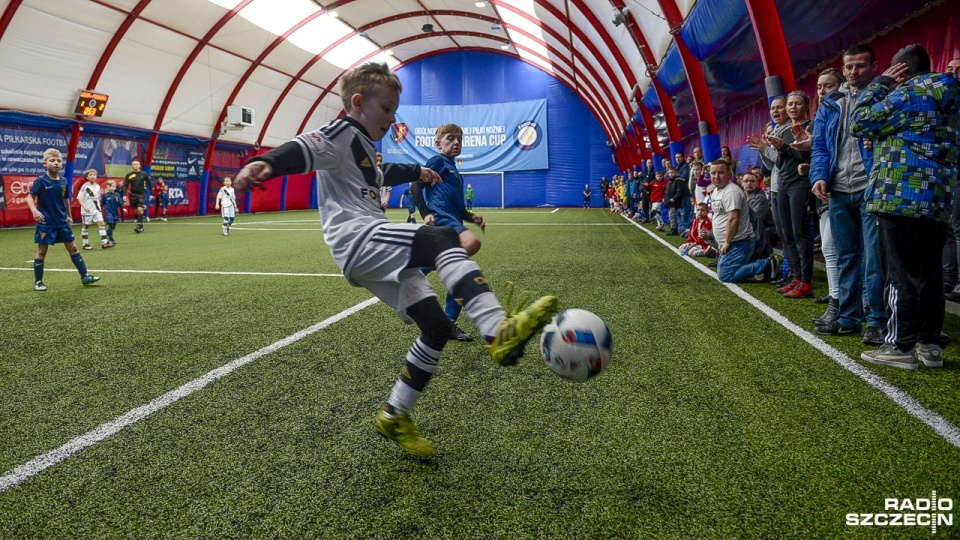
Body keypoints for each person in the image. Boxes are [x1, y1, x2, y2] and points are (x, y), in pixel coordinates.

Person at [231, 62, 559, 457]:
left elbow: (381, 173)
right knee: (441, 237)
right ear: (357, 102)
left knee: (435, 328)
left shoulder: (366, 145)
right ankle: (495, 331)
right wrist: (265, 163)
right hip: (359, 236)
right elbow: (303, 147)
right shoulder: (341, 131)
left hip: (369, 246)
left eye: (393, 110)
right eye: (385, 109)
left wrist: (418, 170)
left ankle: (395, 413)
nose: (391, 118)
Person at [850, 44, 959, 370]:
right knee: (930, 274)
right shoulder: (950, 99)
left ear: (902, 71)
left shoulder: (908, 93)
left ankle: (899, 346)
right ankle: (929, 345)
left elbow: (859, 121)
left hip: (900, 197)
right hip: (937, 198)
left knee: (901, 275)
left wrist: (880, 84)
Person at [809, 49, 888, 342]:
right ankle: (849, 317)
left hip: (871, 186)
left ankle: (877, 320)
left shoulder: (883, 96)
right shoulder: (831, 103)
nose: (854, 71)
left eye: (860, 66)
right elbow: (820, 146)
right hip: (839, 189)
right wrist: (818, 176)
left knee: (874, 261)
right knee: (846, 257)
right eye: (849, 66)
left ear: (873, 66)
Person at [412, 123, 487, 342]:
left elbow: (460, 209)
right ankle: (418, 270)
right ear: (438, 143)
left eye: (459, 139)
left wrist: (471, 217)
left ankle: (447, 323)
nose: (456, 143)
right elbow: (416, 186)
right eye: (450, 139)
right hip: (442, 219)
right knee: (471, 243)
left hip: (453, 219)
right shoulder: (438, 161)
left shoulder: (456, 174)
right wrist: (425, 212)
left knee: (460, 272)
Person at [25, 148, 100, 291]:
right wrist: (34, 211)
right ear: (44, 163)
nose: (56, 163)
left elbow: (66, 200)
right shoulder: (40, 181)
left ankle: (85, 276)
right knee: (42, 250)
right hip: (46, 223)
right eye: (52, 160)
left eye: (59, 161)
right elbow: (29, 197)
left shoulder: (64, 181)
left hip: (62, 221)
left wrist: (69, 216)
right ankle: (38, 282)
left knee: (72, 247)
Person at [766, 91, 814, 298]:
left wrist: (784, 147)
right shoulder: (784, 130)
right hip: (784, 184)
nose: (793, 108)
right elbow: (779, 162)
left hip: (800, 184)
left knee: (800, 234)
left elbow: (805, 154)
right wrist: (777, 148)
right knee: (788, 234)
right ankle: (795, 276)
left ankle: (805, 281)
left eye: (797, 104)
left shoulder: (809, 127)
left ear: (806, 106)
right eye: (790, 104)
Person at [705, 158, 778, 283]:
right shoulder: (717, 190)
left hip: (739, 242)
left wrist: (727, 241)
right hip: (729, 242)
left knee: (725, 276)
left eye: (721, 173)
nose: (716, 176)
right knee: (723, 270)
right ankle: (754, 265)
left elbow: (734, 219)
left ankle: (766, 263)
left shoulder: (731, 191)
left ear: (729, 174)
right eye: (713, 173)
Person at [76, 169, 113, 250]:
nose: (92, 176)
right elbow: (79, 198)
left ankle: (104, 242)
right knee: (85, 226)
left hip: (96, 210)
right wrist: (84, 207)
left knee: (101, 223)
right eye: (91, 175)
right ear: (87, 177)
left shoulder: (98, 186)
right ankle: (85, 244)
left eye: (94, 175)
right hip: (87, 210)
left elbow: (98, 197)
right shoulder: (85, 186)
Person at [123, 159, 150, 233]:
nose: (136, 165)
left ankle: (138, 226)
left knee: (140, 209)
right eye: (134, 164)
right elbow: (125, 185)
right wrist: (124, 195)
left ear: (140, 165)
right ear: (132, 166)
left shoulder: (144, 174)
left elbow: (150, 183)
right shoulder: (129, 175)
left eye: (137, 164)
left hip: (142, 194)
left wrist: (152, 194)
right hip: (133, 194)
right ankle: (140, 226)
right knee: (135, 211)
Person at [664, 168, 691, 236]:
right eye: (669, 173)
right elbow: (667, 191)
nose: (671, 174)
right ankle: (674, 228)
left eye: (672, 172)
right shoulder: (669, 181)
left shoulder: (678, 181)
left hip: (675, 202)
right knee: (672, 215)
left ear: (676, 172)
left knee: (673, 215)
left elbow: (680, 191)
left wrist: (674, 198)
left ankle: (674, 229)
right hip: (669, 201)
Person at [101, 179, 122, 245]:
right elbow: (102, 204)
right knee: (111, 224)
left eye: (113, 186)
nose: (111, 188)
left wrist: (123, 209)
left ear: (115, 187)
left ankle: (108, 234)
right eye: (109, 186)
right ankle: (110, 238)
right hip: (108, 212)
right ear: (107, 187)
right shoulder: (105, 195)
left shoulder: (117, 195)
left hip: (115, 213)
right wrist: (99, 210)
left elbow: (120, 203)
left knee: (113, 226)